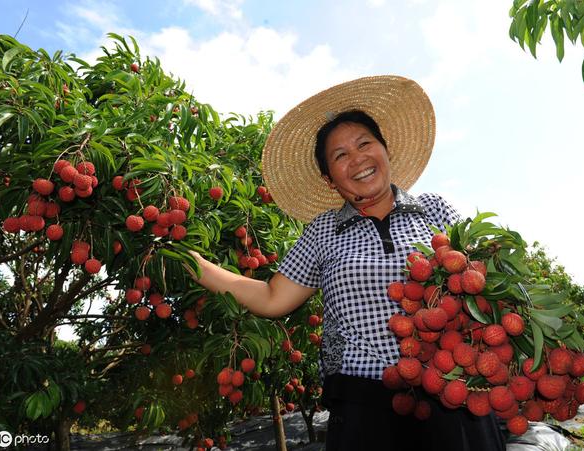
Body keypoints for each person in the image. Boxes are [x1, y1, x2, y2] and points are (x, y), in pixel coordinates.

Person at [186, 76, 506, 451]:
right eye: (340, 156)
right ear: (329, 180)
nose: (357, 160)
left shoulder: (434, 209)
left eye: (364, 144)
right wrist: (194, 264)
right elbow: (273, 297)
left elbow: (485, 283)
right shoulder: (323, 231)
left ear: (385, 149)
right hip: (363, 405)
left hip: (454, 391)